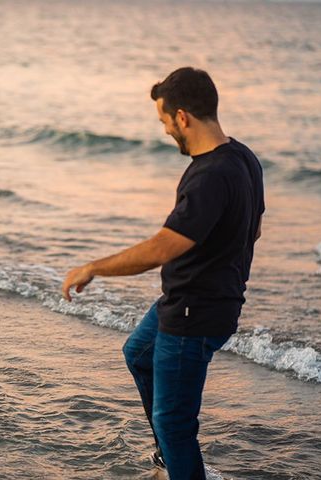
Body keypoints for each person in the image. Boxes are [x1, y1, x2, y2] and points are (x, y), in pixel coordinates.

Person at [62, 67, 264, 480]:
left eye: (164, 121)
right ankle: (170, 458)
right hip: (194, 300)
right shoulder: (242, 156)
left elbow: (161, 248)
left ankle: (178, 461)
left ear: (183, 117)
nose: (165, 130)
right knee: (138, 353)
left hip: (195, 313)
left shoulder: (210, 176)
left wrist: (93, 267)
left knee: (175, 424)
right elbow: (254, 226)